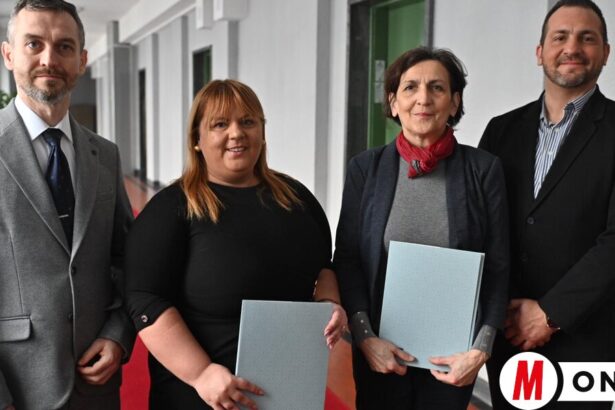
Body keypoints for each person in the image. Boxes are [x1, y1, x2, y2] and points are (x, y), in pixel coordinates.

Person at [124, 79, 347, 409]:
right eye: (220, 124)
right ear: (197, 139)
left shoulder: (297, 199)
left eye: (247, 121)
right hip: (204, 395)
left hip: (287, 389)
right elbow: (145, 300)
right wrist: (201, 373)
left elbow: (323, 267)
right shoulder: (171, 209)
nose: (236, 133)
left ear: (262, 131)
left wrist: (329, 302)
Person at [333, 46, 509, 409]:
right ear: (393, 102)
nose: (423, 99)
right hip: (380, 353)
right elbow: (348, 259)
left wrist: (481, 348)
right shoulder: (365, 169)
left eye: (437, 88)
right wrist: (365, 338)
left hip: (454, 358)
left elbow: (498, 265)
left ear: (455, 102)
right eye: (410, 87)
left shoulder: (483, 170)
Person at [479, 0, 615, 408]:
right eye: (560, 37)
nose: (572, 48)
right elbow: (482, 226)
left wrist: (551, 313)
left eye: (586, 38)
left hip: (588, 341)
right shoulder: (501, 131)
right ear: (540, 52)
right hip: (509, 338)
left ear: (605, 53)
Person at [0, 1, 135, 409]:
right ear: (8, 54)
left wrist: (117, 335)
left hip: (96, 385)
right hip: (17, 386)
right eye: (34, 44)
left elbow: (126, 259)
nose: (49, 59)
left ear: (82, 60)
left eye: (64, 46)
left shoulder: (105, 155)